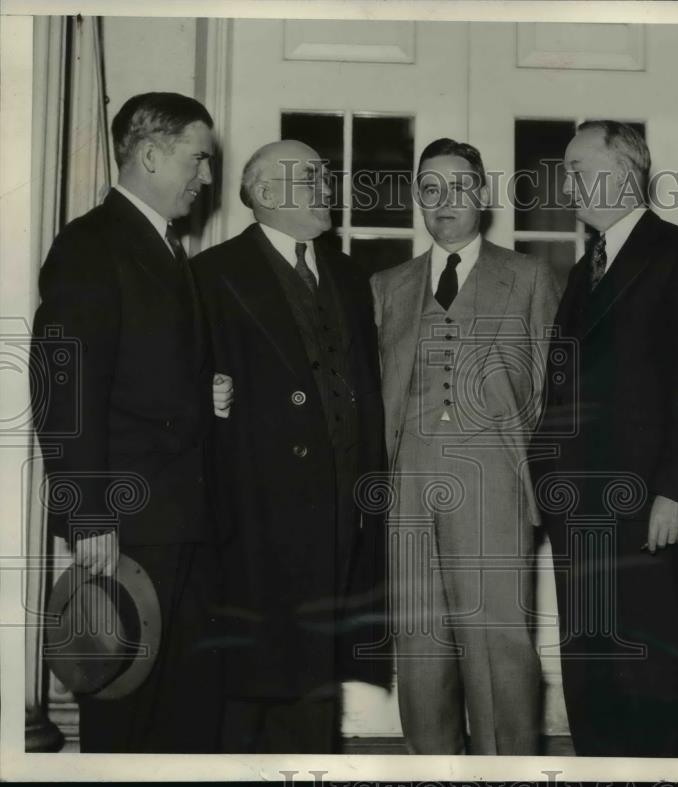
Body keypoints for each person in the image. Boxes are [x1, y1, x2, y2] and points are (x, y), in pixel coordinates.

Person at [31, 92, 230, 752]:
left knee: (185, 706)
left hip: (183, 519)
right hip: (128, 521)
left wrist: (207, 392)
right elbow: (65, 388)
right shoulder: (91, 244)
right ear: (150, 154)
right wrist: (89, 512)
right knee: (126, 708)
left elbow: (144, 371)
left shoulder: (165, 246)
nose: (206, 177)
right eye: (198, 160)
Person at [531, 121, 678, 756]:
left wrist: (676, 492)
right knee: (589, 675)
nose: (569, 183)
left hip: (647, 511)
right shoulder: (582, 271)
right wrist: (544, 478)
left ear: (627, 171)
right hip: (577, 514)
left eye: (580, 167)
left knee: (645, 675)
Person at [191, 140, 390, 753]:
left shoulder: (353, 276)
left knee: (314, 682)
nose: (327, 185)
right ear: (267, 193)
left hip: (339, 518)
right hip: (254, 519)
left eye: (325, 175)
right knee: (248, 686)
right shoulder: (211, 275)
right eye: (311, 176)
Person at [369, 138, 560, 754]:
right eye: (429, 188)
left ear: (481, 194)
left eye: (458, 186)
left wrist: (539, 493)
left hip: (494, 481)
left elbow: (553, 395)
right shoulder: (388, 286)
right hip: (408, 484)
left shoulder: (530, 278)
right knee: (420, 647)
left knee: (497, 641)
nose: (443, 201)